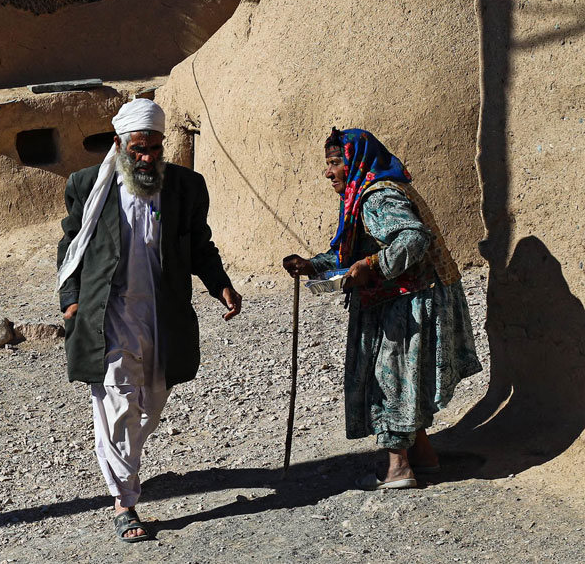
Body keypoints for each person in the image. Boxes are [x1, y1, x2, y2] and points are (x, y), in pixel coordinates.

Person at [57, 98, 242, 542]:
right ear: (118, 143)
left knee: (151, 404)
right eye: (138, 149)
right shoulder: (86, 186)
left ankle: (126, 465)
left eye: (154, 148)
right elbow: (71, 245)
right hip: (110, 313)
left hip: (163, 314)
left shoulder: (185, 187)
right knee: (118, 406)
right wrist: (70, 301)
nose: (146, 158)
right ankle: (124, 503)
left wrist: (220, 285)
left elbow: (200, 244)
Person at [282, 127, 482, 490]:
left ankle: (397, 468)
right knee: (404, 376)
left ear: (355, 163)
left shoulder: (376, 197)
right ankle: (423, 455)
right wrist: (314, 265)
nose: (328, 172)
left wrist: (373, 267)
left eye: (334, 163)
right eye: (327, 164)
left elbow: (412, 237)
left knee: (387, 378)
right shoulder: (367, 195)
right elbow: (354, 252)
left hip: (410, 302)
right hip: (407, 297)